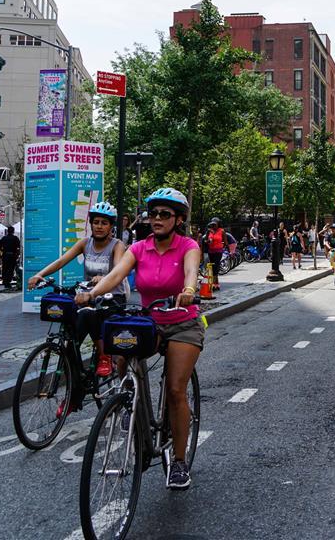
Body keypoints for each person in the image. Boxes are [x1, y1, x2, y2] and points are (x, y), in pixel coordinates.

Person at [75, 187, 203, 490]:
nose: (156, 219)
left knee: (174, 389)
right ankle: (131, 402)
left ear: (179, 219)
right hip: (149, 322)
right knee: (122, 352)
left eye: (164, 214)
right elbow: (116, 275)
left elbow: (191, 272)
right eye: (153, 213)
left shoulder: (188, 246)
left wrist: (187, 290)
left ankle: (180, 462)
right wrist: (93, 293)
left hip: (183, 323)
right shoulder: (139, 248)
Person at [28, 200, 129, 381]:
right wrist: (39, 274)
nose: (99, 226)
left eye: (104, 223)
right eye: (96, 222)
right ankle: (74, 385)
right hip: (89, 297)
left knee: (88, 315)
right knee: (71, 332)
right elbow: (61, 261)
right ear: (90, 224)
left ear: (111, 226)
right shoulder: (84, 243)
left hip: (112, 298)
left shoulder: (117, 245)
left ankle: (105, 356)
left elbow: (118, 271)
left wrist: (103, 278)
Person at [203, 219, 225, 290]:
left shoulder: (221, 231)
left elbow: (225, 241)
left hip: (218, 252)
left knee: (216, 267)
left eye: (215, 224)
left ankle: (215, 284)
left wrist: (223, 248)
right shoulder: (210, 231)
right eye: (212, 224)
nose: (214, 226)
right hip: (211, 252)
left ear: (218, 224)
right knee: (212, 268)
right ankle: (215, 284)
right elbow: (207, 241)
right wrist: (207, 232)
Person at [0, 225, 21, 290]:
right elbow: (18, 247)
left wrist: (4, 251)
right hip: (12, 255)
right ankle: (8, 281)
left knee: (5, 268)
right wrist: (17, 254)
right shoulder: (15, 238)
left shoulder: (4, 238)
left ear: (7, 231)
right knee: (11, 269)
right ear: (13, 231)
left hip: (5, 255)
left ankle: (5, 281)